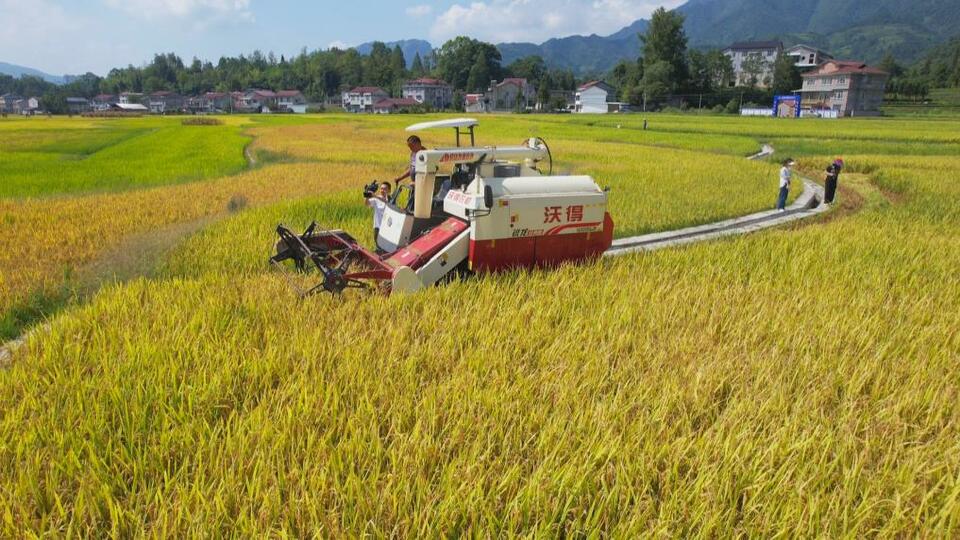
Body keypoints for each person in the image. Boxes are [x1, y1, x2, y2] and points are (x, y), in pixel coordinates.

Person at [365, 182, 391, 248]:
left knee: (387, 247)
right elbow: (367, 204)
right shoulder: (376, 199)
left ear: (389, 191)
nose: (382, 190)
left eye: (385, 189)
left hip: (387, 227)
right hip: (377, 227)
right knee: (378, 246)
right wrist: (367, 195)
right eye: (381, 189)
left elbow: (388, 203)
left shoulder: (391, 199)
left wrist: (375, 196)